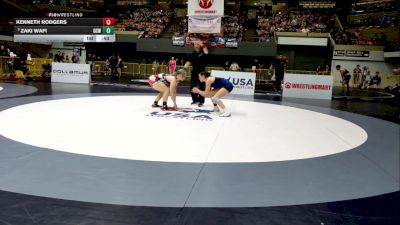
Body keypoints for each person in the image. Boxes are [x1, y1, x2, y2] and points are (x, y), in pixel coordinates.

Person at [185, 42, 209, 107]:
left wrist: (203, 45)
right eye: (195, 44)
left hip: (202, 73)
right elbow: (188, 62)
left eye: (197, 44)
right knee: (192, 87)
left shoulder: (203, 52)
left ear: (200, 45)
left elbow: (206, 51)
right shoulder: (192, 54)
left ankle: (201, 101)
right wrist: (183, 69)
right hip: (194, 73)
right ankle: (195, 99)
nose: (196, 45)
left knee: (201, 87)